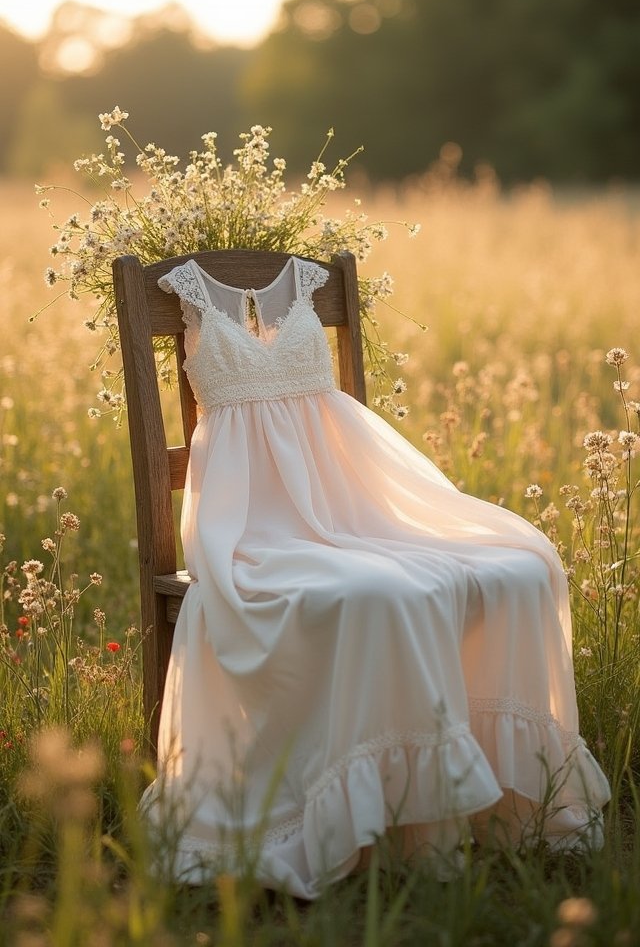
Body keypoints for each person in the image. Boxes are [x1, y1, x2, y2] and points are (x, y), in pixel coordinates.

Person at [140, 254, 610, 899]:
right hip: (252, 520)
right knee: (384, 592)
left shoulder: (310, 281)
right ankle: (373, 820)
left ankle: (498, 800)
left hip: (346, 491)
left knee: (522, 565)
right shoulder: (184, 290)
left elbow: (341, 427)